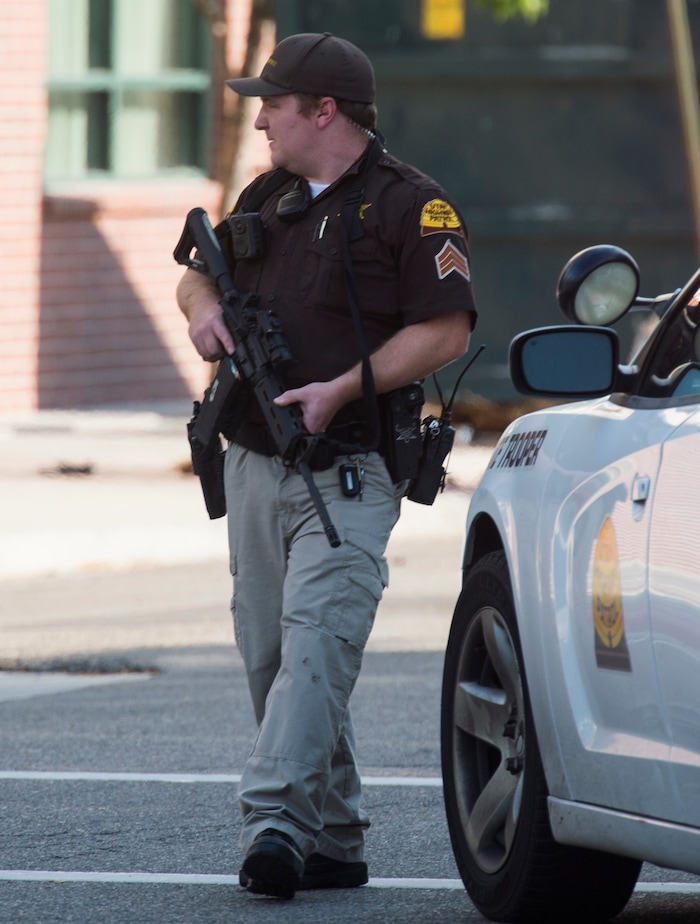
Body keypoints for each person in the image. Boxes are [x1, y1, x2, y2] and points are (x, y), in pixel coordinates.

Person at [177, 31, 477, 899]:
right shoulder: (266, 194)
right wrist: (202, 312)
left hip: (348, 469)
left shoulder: (410, 207)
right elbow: (198, 274)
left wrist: (342, 387)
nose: (261, 117)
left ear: (325, 111)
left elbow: (446, 330)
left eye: (274, 102)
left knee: (318, 646)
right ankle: (338, 835)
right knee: (272, 656)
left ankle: (275, 823)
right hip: (256, 460)